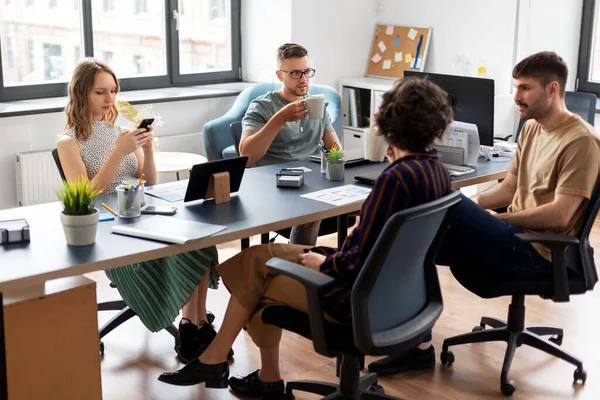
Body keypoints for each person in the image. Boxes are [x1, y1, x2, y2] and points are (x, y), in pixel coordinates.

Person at [157, 77, 453, 398]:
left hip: (357, 299)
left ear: (389, 121)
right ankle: (239, 368)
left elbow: (353, 262)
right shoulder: (437, 172)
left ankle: (225, 363)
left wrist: (323, 262)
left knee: (260, 282)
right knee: (262, 257)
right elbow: (374, 251)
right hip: (403, 297)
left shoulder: (395, 180)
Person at [370, 51, 600, 376]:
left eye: (524, 89)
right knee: (416, 238)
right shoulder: (532, 129)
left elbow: (561, 216)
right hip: (511, 239)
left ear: (552, 89)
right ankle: (416, 345)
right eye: (516, 87)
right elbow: (509, 188)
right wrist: (475, 208)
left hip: (541, 252)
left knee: (436, 195)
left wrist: (492, 219)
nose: (516, 97)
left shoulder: (582, 142)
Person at [56, 58, 229, 364]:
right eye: (100, 92)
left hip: (142, 215)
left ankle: (193, 323)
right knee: (183, 247)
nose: (110, 99)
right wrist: (117, 153)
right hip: (108, 229)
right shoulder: (69, 142)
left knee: (200, 240)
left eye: (113, 91)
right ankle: (194, 328)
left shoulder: (121, 131)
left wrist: (147, 150)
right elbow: (85, 195)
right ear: (81, 93)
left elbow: (149, 181)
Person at [239, 43, 341, 246]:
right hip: (272, 186)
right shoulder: (262, 106)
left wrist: (338, 169)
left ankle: (357, 269)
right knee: (311, 210)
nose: (303, 79)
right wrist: (280, 118)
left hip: (312, 182)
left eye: (307, 72)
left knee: (371, 202)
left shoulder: (316, 104)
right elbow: (246, 155)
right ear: (280, 75)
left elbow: (335, 150)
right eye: (295, 73)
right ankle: (298, 267)